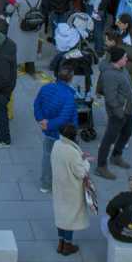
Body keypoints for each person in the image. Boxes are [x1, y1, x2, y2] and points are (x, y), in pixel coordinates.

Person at [35, 64, 79, 194]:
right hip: (64, 134)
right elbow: (64, 118)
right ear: (71, 78)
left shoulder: (45, 88)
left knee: (47, 156)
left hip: (48, 131)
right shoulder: (69, 96)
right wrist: (48, 124)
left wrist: (41, 120)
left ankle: (45, 184)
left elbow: (37, 104)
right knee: (67, 158)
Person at [51, 122, 92, 256]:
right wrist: (85, 162)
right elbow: (81, 173)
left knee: (61, 215)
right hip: (72, 189)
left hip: (59, 186)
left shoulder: (57, 145)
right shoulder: (72, 152)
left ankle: (60, 242)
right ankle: (67, 245)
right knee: (70, 218)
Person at [95, 46, 132, 179]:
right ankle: (101, 166)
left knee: (127, 133)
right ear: (118, 60)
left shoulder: (122, 69)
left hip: (128, 109)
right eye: (124, 57)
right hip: (119, 113)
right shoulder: (110, 74)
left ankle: (116, 156)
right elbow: (111, 98)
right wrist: (120, 112)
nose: (126, 59)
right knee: (109, 139)